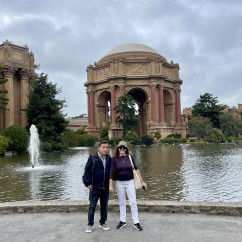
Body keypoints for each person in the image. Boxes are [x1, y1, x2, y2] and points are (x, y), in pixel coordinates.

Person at [109, 141, 147, 231]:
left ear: (126, 149)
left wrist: (142, 181)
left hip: (130, 182)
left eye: (123, 147)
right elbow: (110, 172)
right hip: (119, 183)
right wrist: (110, 185)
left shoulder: (130, 157)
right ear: (118, 148)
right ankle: (122, 221)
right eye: (120, 147)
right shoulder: (114, 159)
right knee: (122, 202)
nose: (122, 149)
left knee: (133, 202)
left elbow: (136, 169)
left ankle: (136, 222)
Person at [83, 141, 111, 233]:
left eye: (107, 147)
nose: (105, 149)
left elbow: (111, 172)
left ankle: (102, 222)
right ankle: (90, 224)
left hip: (105, 187)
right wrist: (88, 183)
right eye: (103, 147)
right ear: (99, 148)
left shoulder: (109, 158)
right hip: (95, 187)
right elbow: (86, 171)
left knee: (104, 206)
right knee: (92, 206)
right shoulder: (92, 158)